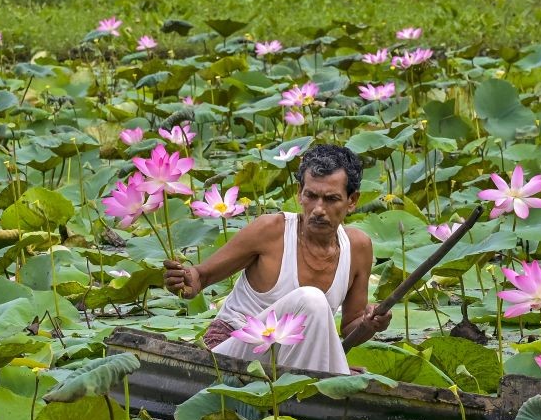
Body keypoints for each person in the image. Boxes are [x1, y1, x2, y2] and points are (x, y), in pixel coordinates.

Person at [163, 144, 391, 374]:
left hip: (287, 360)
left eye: (331, 199)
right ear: (299, 192)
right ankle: (326, 378)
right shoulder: (270, 230)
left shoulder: (358, 247)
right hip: (230, 355)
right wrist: (186, 280)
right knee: (311, 299)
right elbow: (201, 276)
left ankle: (322, 377)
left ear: (352, 201)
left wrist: (369, 324)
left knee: (315, 309)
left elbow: (351, 326)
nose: (318, 209)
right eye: (311, 196)